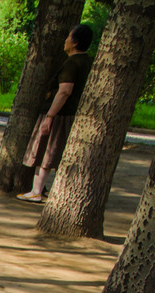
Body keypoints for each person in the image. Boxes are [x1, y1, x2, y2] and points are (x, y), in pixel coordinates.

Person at [17, 24, 94, 203]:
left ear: (75, 42)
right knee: (51, 151)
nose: (65, 40)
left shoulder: (73, 63)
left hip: (60, 114)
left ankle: (36, 190)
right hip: (70, 113)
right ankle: (41, 190)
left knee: (46, 150)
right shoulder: (87, 62)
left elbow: (64, 91)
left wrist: (50, 116)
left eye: (68, 37)